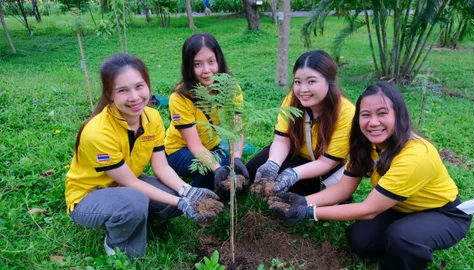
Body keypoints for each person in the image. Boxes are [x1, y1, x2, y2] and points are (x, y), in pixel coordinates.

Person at [268, 82, 472, 269]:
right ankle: (406, 236)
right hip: (399, 206)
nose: (373, 122)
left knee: (403, 237)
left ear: (398, 115)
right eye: (365, 115)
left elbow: (368, 210)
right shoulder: (366, 145)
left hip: (443, 213)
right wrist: (302, 202)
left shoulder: (416, 155)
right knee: (360, 240)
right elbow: (343, 189)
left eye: (382, 113)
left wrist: (309, 212)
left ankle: (412, 245)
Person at [65, 53, 223, 258]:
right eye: (123, 90)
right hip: (88, 197)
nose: (134, 97)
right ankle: (116, 246)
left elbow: (161, 166)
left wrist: (187, 192)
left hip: (125, 187)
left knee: (173, 196)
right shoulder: (98, 132)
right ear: (109, 94)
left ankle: (129, 217)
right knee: (136, 201)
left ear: (147, 85)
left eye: (139, 86)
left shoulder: (152, 117)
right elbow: (131, 182)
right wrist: (181, 202)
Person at [246, 50, 355, 196]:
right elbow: (282, 140)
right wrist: (273, 163)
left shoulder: (346, 112)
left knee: (292, 188)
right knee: (252, 170)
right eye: (298, 82)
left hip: (325, 166)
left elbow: (326, 163)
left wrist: (293, 174)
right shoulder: (292, 99)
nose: (303, 90)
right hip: (296, 153)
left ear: (329, 82)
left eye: (311, 81)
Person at [165, 33, 249, 191]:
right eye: (198, 64)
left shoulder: (230, 89)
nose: (206, 70)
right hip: (178, 151)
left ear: (219, 60)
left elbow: (236, 129)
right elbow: (194, 145)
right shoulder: (180, 97)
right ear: (189, 67)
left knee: (227, 162)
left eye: (211, 62)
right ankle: (196, 200)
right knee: (210, 168)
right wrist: (216, 168)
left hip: (212, 146)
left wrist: (237, 158)